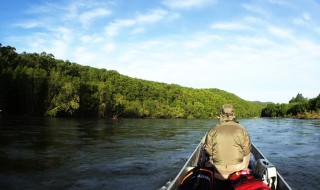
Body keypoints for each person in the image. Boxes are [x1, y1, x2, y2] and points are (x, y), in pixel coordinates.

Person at [204, 104, 251, 180]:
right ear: (234, 114)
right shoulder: (242, 129)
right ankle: (244, 170)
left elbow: (208, 150)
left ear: (221, 115)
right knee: (247, 150)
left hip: (219, 168)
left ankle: (218, 174)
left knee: (210, 153)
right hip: (237, 167)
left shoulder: (213, 129)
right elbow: (247, 150)